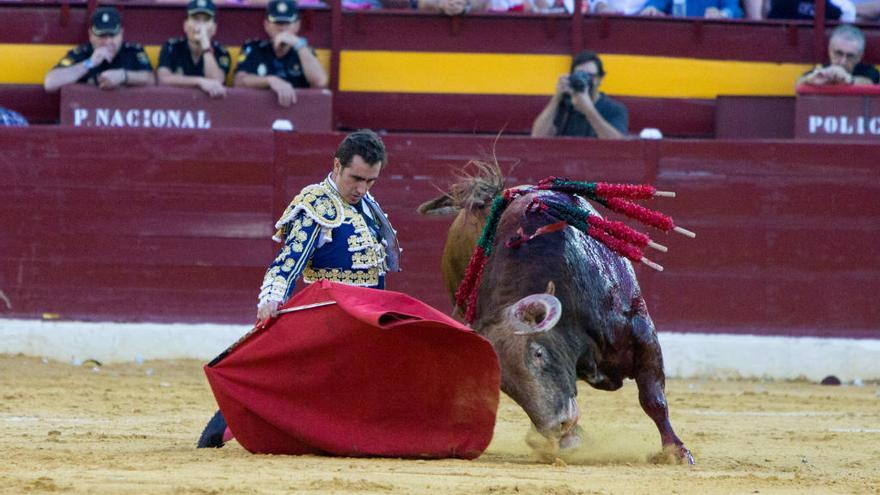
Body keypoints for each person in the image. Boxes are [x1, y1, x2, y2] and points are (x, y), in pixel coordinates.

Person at [197, 129, 401, 449]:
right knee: (289, 379)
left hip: (365, 316)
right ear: (337, 166)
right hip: (330, 315)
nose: (362, 188)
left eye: (370, 181)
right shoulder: (317, 204)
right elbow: (289, 259)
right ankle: (223, 427)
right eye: (356, 178)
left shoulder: (367, 205)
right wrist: (272, 296)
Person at [233, 0, 329, 107]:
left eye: (287, 23)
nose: (282, 28)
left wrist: (298, 44)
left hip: (296, 113)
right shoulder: (254, 48)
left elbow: (320, 82)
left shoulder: (305, 51)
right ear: (266, 25)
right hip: (258, 111)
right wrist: (270, 81)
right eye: (277, 22)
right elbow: (238, 81)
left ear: (297, 25)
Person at [44, 6, 155, 93]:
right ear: (91, 35)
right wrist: (89, 63)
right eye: (102, 36)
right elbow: (50, 83)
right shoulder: (82, 53)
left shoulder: (133, 51)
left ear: (121, 33)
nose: (107, 42)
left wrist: (123, 76)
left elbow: (151, 79)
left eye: (112, 36)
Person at [531, 50, 628, 139]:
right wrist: (556, 99)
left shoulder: (614, 109)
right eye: (579, 74)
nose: (585, 80)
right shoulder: (563, 105)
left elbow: (617, 145)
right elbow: (537, 136)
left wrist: (588, 111)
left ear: (600, 79)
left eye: (590, 76)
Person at [156, 0, 231, 98]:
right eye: (196, 19)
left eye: (206, 20)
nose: (200, 26)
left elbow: (216, 81)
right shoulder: (172, 47)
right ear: (185, 26)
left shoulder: (221, 52)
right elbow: (162, 79)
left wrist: (205, 44)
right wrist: (199, 82)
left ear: (214, 29)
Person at [796, 24, 879, 87]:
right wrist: (812, 79)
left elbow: (871, 84)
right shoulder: (821, 69)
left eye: (850, 56)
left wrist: (847, 79)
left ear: (859, 57)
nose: (843, 61)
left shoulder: (869, 73)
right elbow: (798, 84)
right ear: (830, 50)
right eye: (838, 53)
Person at [640, 0, 743, 17]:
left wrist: (722, 14)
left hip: (713, 41)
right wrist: (651, 9)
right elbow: (655, 3)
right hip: (675, 41)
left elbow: (734, 9)